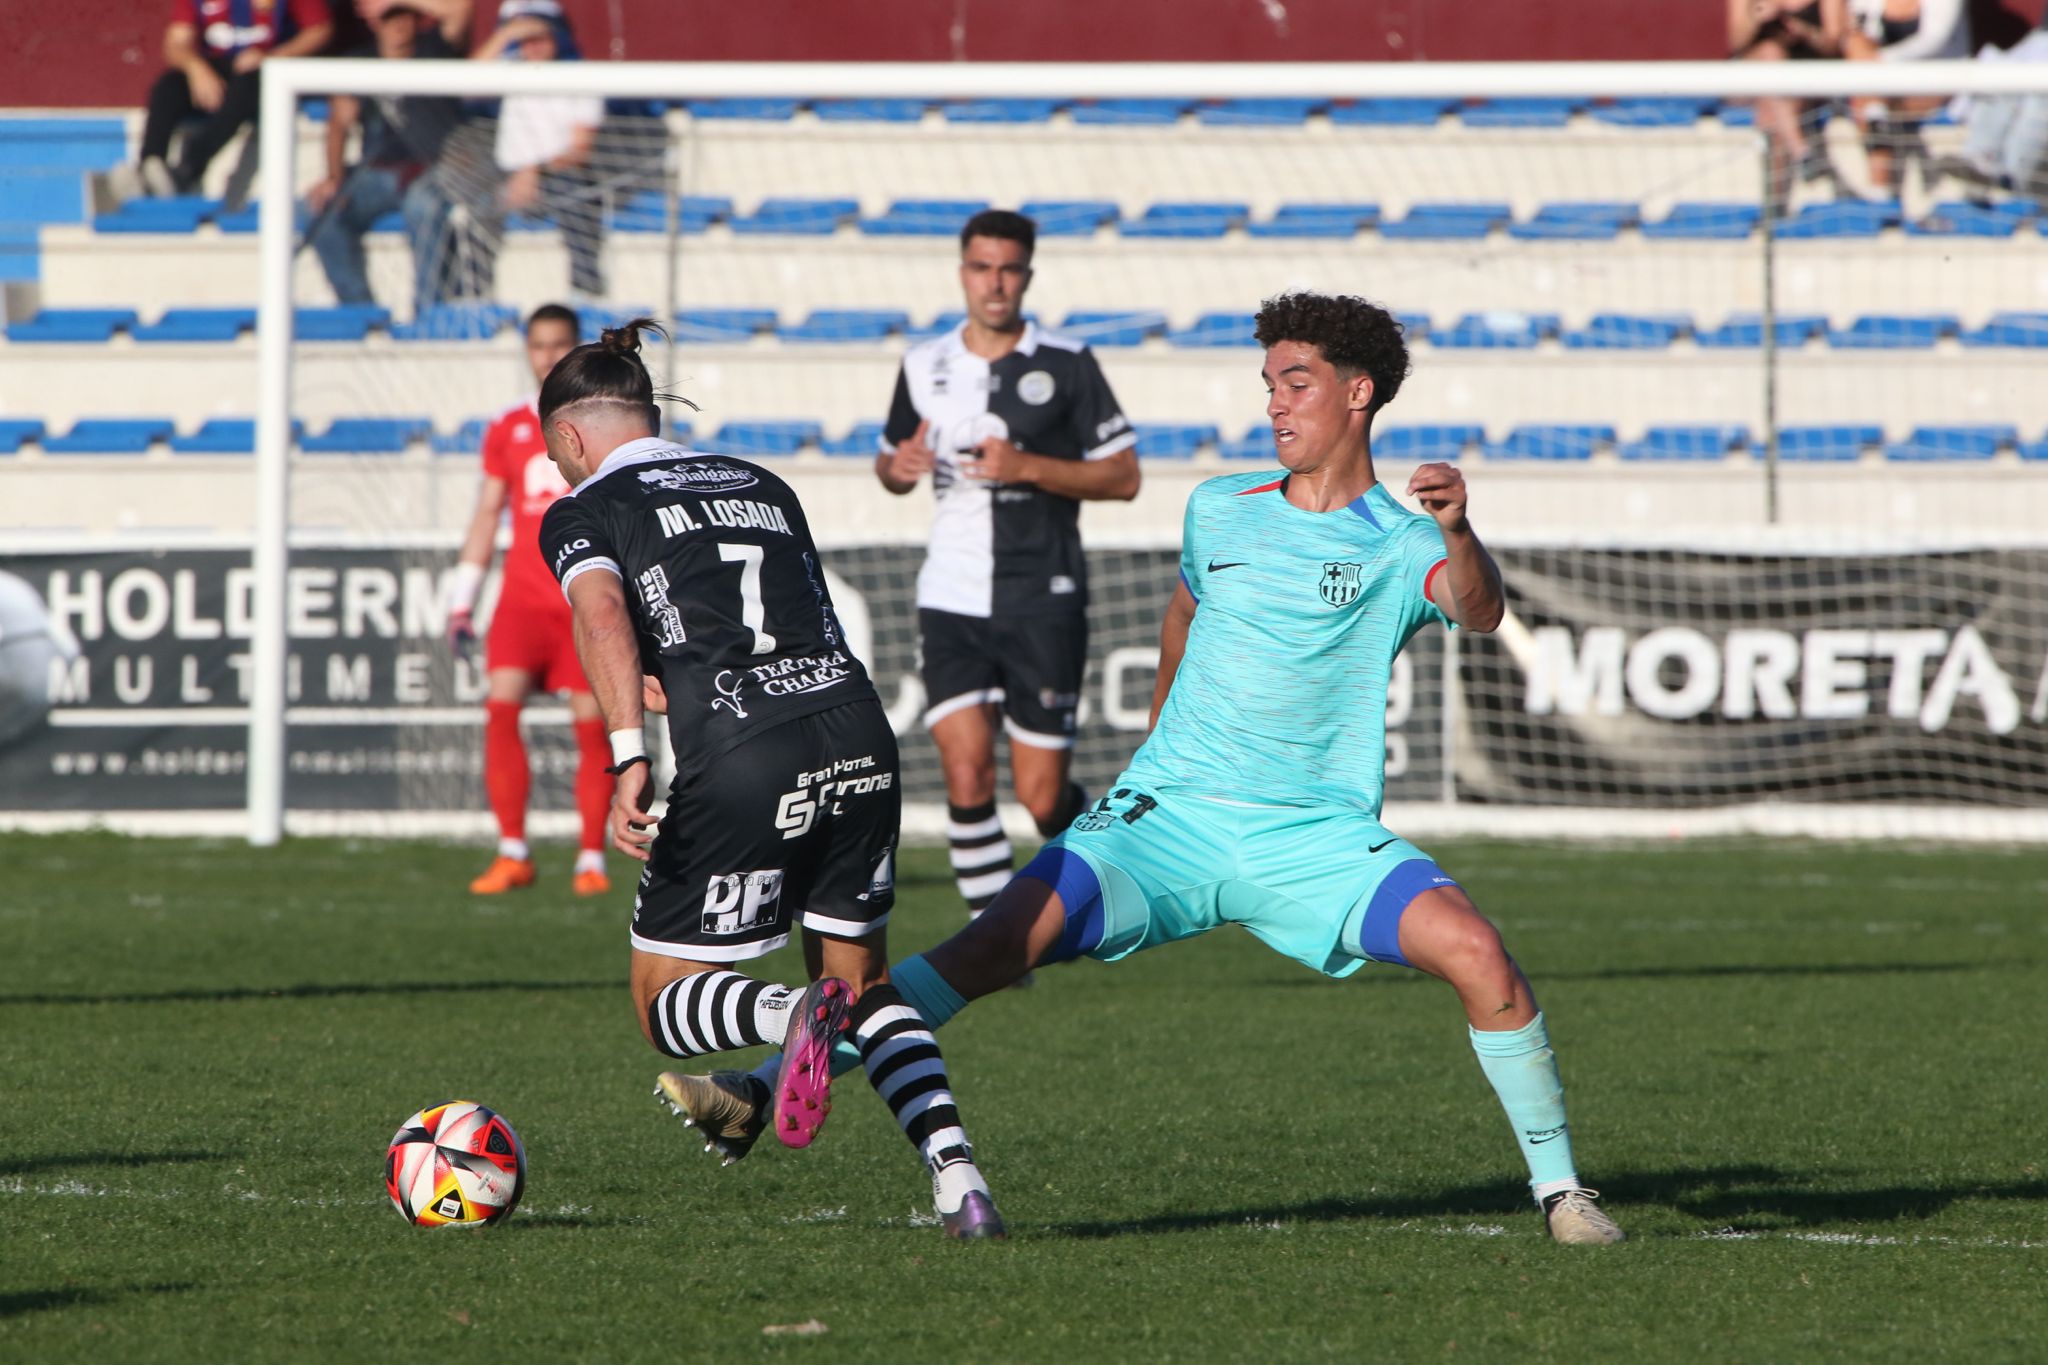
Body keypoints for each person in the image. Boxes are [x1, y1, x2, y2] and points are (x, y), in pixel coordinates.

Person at [723, 292, 1625, 1245]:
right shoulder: (1218, 508)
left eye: (1297, 383)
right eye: (1269, 384)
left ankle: (1563, 1193)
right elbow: (1183, 616)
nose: (1275, 403)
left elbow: (1478, 611)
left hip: (1309, 835)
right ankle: (766, 1085)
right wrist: (1158, 747)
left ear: (1358, 394)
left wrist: (1457, 529)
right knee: (985, 949)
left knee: (1481, 955)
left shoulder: (1403, 543)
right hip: (1170, 818)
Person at [536, 320, 1005, 1239]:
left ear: (570, 438)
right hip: (858, 732)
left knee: (663, 1001)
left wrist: (630, 750)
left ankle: (795, 1015)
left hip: (745, 750)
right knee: (866, 984)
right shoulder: (761, 482)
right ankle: (961, 1180)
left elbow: (600, 612)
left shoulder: (585, 506)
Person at [877, 208, 1139, 928]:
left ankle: (1111, 875)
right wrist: (895, 467)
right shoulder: (922, 364)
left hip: (1042, 592)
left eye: (1009, 268)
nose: (995, 282)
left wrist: (1025, 466)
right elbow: (892, 458)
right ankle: (996, 943)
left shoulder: (1067, 362)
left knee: (1042, 797)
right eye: (982, 267)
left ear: (1027, 274)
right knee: (963, 771)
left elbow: (1123, 476)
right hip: (950, 592)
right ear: (962, 271)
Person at [445, 303, 612, 897]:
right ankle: (513, 849)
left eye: (558, 345)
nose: (547, 356)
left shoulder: (601, 426)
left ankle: (591, 856)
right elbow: (489, 511)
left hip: (580, 598)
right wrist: (464, 597)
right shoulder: (509, 428)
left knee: (592, 726)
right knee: (500, 708)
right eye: (538, 345)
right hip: (520, 598)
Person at [306, 0, 497, 313]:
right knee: (317, 210)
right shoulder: (360, 62)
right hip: (381, 171)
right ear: (374, 23)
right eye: (388, 18)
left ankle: (427, 311)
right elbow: (338, 123)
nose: (397, 24)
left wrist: (399, 1)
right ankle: (361, 312)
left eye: (404, 16)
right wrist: (334, 178)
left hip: (437, 166)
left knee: (422, 204)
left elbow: (461, 9)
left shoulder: (435, 50)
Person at [475, 0, 609, 298]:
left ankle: (585, 289)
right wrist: (505, 36)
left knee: (576, 193)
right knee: (456, 196)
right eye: (524, 37)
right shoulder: (507, 69)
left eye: (539, 35)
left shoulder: (581, 77)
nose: (532, 45)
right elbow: (466, 82)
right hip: (504, 176)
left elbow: (580, 149)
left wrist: (534, 171)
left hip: (557, 176)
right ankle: (473, 294)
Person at [136, 0, 334, 198]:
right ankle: (149, 164)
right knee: (169, 86)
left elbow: (319, 30)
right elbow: (176, 43)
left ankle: (189, 167)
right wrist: (196, 69)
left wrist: (272, 57)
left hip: (268, 73)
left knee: (246, 87)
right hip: (217, 69)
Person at [1728, 0, 1849, 208]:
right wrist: (1756, 18)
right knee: (1770, 52)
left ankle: (1775, 209)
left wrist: (1804, 32)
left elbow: (1834, 45)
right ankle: (1801, 152)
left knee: (1770, 111)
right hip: (1755, 75)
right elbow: (1734, 43)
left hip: (1805, 76)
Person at [1843, 0, 1972, 195]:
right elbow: (1856, 35)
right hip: (1883, 86)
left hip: (1935, 84)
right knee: (1857, 45)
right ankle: (1878, 123)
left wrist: (1882, 61)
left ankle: (1879, 193)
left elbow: (1934, 40)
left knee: (1869, 98)